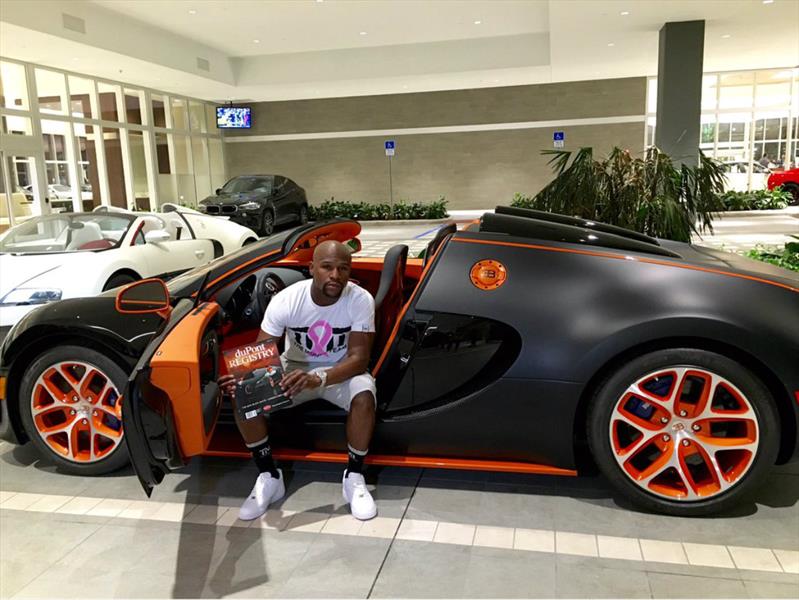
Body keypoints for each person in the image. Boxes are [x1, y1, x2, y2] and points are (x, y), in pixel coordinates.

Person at [220, 240, 378, 521]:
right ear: (312, 268)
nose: (335, 275)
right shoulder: (287, 300)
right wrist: (243, 378)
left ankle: (354, 476)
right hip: (293, 368)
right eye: (327, 267)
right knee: (244, 394)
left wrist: (318, 378)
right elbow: (261, 353)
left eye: (343, 268)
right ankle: (269, 475)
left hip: (340, 370)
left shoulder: (360, 299)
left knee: (364, 397)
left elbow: (359, 359)